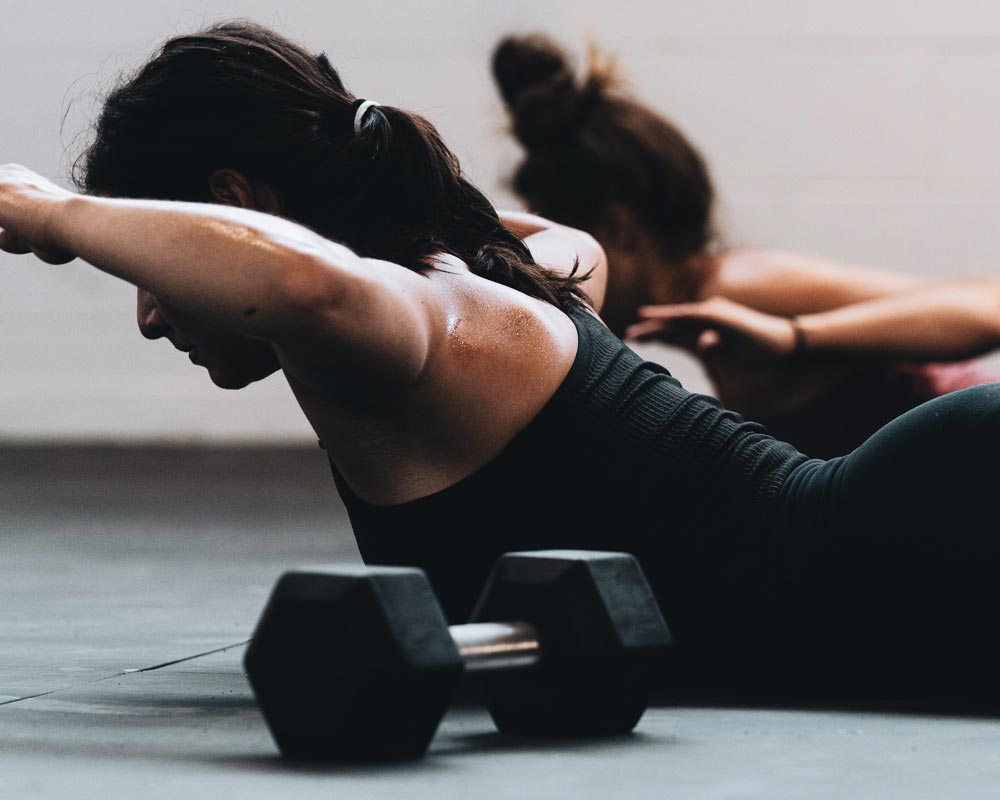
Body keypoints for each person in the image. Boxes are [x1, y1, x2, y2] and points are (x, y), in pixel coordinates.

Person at [4, 19, 1000, 703]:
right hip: (925, 545)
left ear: (239, 205)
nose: (147, 312)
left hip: (927, 544)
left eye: (151, 261)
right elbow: (568, 242)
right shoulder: (505, 267)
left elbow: (309, 286)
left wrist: (55, 218)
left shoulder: (407, 325)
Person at [490, 32, 1000, 458]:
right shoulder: (714, 327)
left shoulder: (738, 284)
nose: (550, 272)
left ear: (619, 228)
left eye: (559, 241)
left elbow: (988, 308)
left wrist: (793, 336)